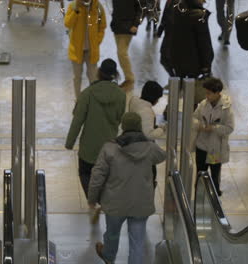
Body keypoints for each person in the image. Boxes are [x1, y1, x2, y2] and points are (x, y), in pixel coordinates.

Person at [89, 112, 166, 264]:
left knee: (112, 233)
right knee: (137, 242)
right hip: (140, 202)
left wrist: (92, 198)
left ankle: (109, 256)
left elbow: (97, 176)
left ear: (122, 126)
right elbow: (162, 156)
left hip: (114, 201)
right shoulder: (150, 147)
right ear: (139, 127)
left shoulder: (109, 148)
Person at [65, 58, 126, 219]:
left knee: (85, 173)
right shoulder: (120, 95)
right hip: (109, 146)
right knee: (105, 174)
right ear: (115, 75)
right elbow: (120, 118)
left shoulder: (88, 93)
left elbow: (78, 120)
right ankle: (104, 200)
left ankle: (92, 202)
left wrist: (70, 142)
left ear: (99, 73)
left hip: (88, 147)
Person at [193, 77, 234, 197]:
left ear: (217, 93)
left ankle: (214, 199)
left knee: (215, 176)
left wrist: (214, 128)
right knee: (200, 174)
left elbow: (229, 128)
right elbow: (194, 118)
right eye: (206, 93)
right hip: (201, 147)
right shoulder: (203, 104)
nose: (206, 96)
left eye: (209, 93)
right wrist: (198, 125)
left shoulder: (226, 109)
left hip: (214, 150)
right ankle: (198, 199)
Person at [159, 0, 214, 78]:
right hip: (193, 63)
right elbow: (204, 43)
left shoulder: (175, 8)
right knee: (191, 87)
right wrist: (207, 65)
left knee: (178, 84)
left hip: (174, 59)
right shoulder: (199, 16)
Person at [64, 0, 107, 99]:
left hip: (92, 50)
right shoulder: (73, 6)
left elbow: (102, 26)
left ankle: (94, 100)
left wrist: (97, 42)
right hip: (76, 50)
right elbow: (67, 23)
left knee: (93, 77)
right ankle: (78, 100)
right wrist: (76, 10)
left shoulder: (98, 7)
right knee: (77, 77)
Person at [129, 81, 165, 188]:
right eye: (158, 98)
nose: (158, 101)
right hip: (144, 151)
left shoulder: (134, 102)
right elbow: (148, 135)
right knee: (149, 178)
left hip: (133, 147)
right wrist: (161, 129)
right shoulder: (146, 111)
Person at [110, 0, 142, 91]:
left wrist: (136, 24)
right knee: (120, 53)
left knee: (122, 53)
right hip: (117, 26)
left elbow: (140, 9)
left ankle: (130, 79)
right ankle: (128, 79)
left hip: (128, 27)